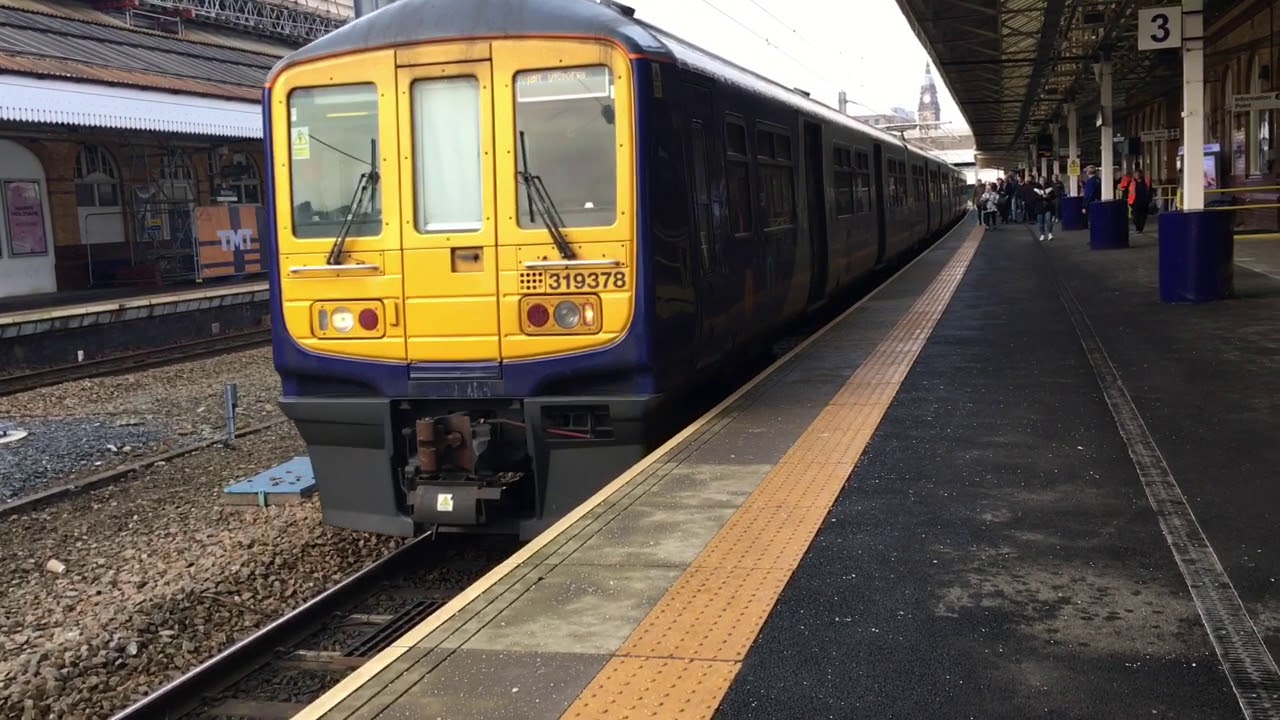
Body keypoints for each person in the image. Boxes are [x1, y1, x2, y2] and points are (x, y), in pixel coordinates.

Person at [1128, 168, 1153, 233]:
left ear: (1141, 174)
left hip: (1144, 201)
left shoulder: (1146, 181)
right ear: (1134, 174)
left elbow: (1150, 191)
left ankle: (1140, 228)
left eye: (1139, 173)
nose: (1137, 175)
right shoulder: (1131, 182)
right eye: (1136, 174)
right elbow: (1127, 191)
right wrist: (1129, 201)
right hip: (1135, 202)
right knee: (1135, 216)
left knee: (1143, 216)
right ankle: (1138, 228)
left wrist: (1149, 200)